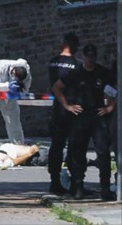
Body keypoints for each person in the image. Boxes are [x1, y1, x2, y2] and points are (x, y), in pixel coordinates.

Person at [52, 43, 116, 201]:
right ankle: (78, 185)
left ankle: (105, 188)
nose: (91, 59)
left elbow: (116, 89)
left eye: (93, 56)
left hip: (97, 115)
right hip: (80, 117)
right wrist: (67, 105)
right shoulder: (76, 72)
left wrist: (110, 107)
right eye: (88, 56)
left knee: (103, 152)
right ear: (84, 56)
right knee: (77, 151)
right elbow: (57, 87)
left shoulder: (102, 72)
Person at [47, 32, 81, 195]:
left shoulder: (53, 62)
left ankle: (54, 182)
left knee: (57, 146)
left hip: (57, 109)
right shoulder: (77, 64)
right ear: (73, 45)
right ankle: (76, 184)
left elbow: (53, 84)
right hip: (72, 108)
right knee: (74, 147)